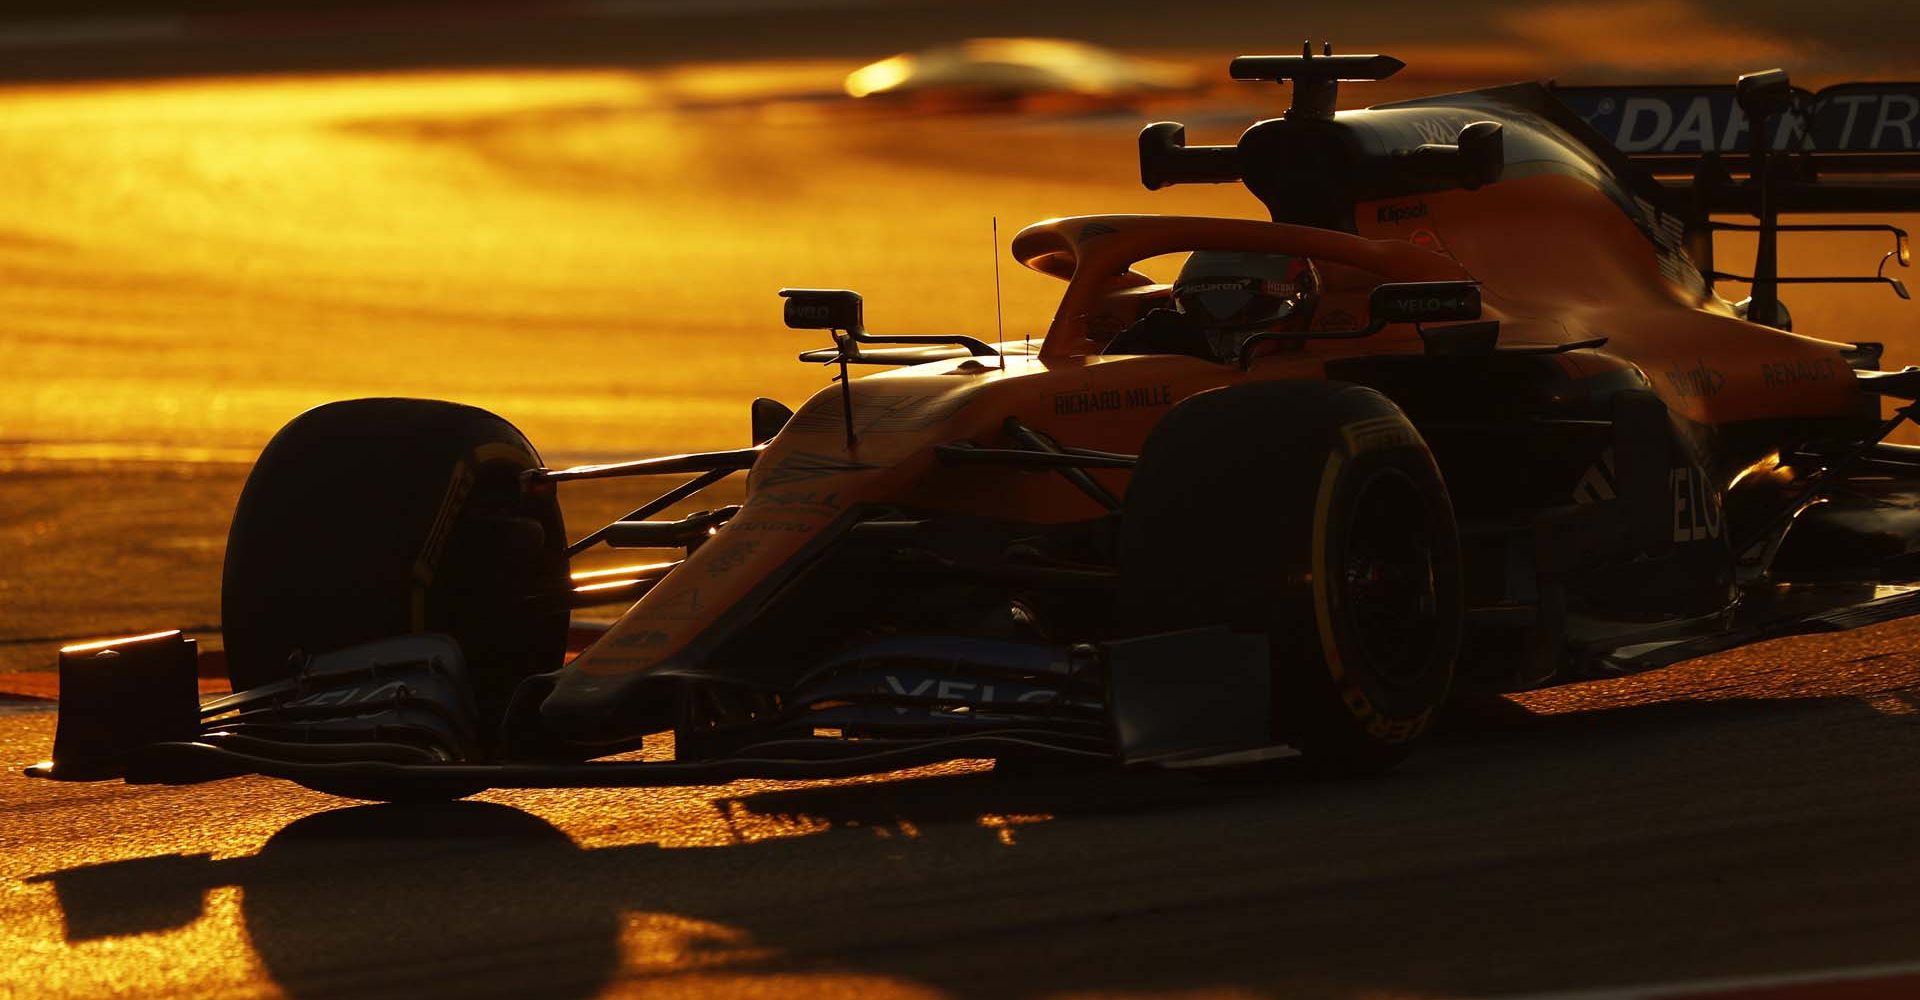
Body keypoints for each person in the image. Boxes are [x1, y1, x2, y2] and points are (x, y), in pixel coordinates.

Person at [1104, 250, 1321, 363]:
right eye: (1201, 312)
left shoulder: (1331, 370)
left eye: (1251, 312)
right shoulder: (1156, 342)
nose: (1223, 334)